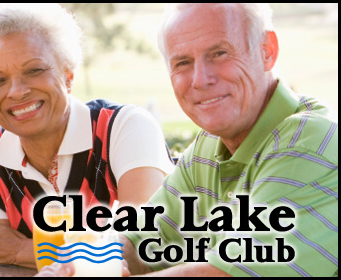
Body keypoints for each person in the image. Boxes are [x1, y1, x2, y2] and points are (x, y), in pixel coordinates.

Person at [113, 3, 337, 277]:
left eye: (219, 53)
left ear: (267, 50)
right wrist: (93, 264)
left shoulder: (309, 144)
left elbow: (228, 274)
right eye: (183, 62)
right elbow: (139, 242)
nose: (200, 79)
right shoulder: (206, 150)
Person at [0, 3, 175, 268]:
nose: (16, 91)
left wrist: (23, 251)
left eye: (34, 70)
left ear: (68, 75)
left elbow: (145, 244)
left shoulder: (126, 127)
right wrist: (100, 251)